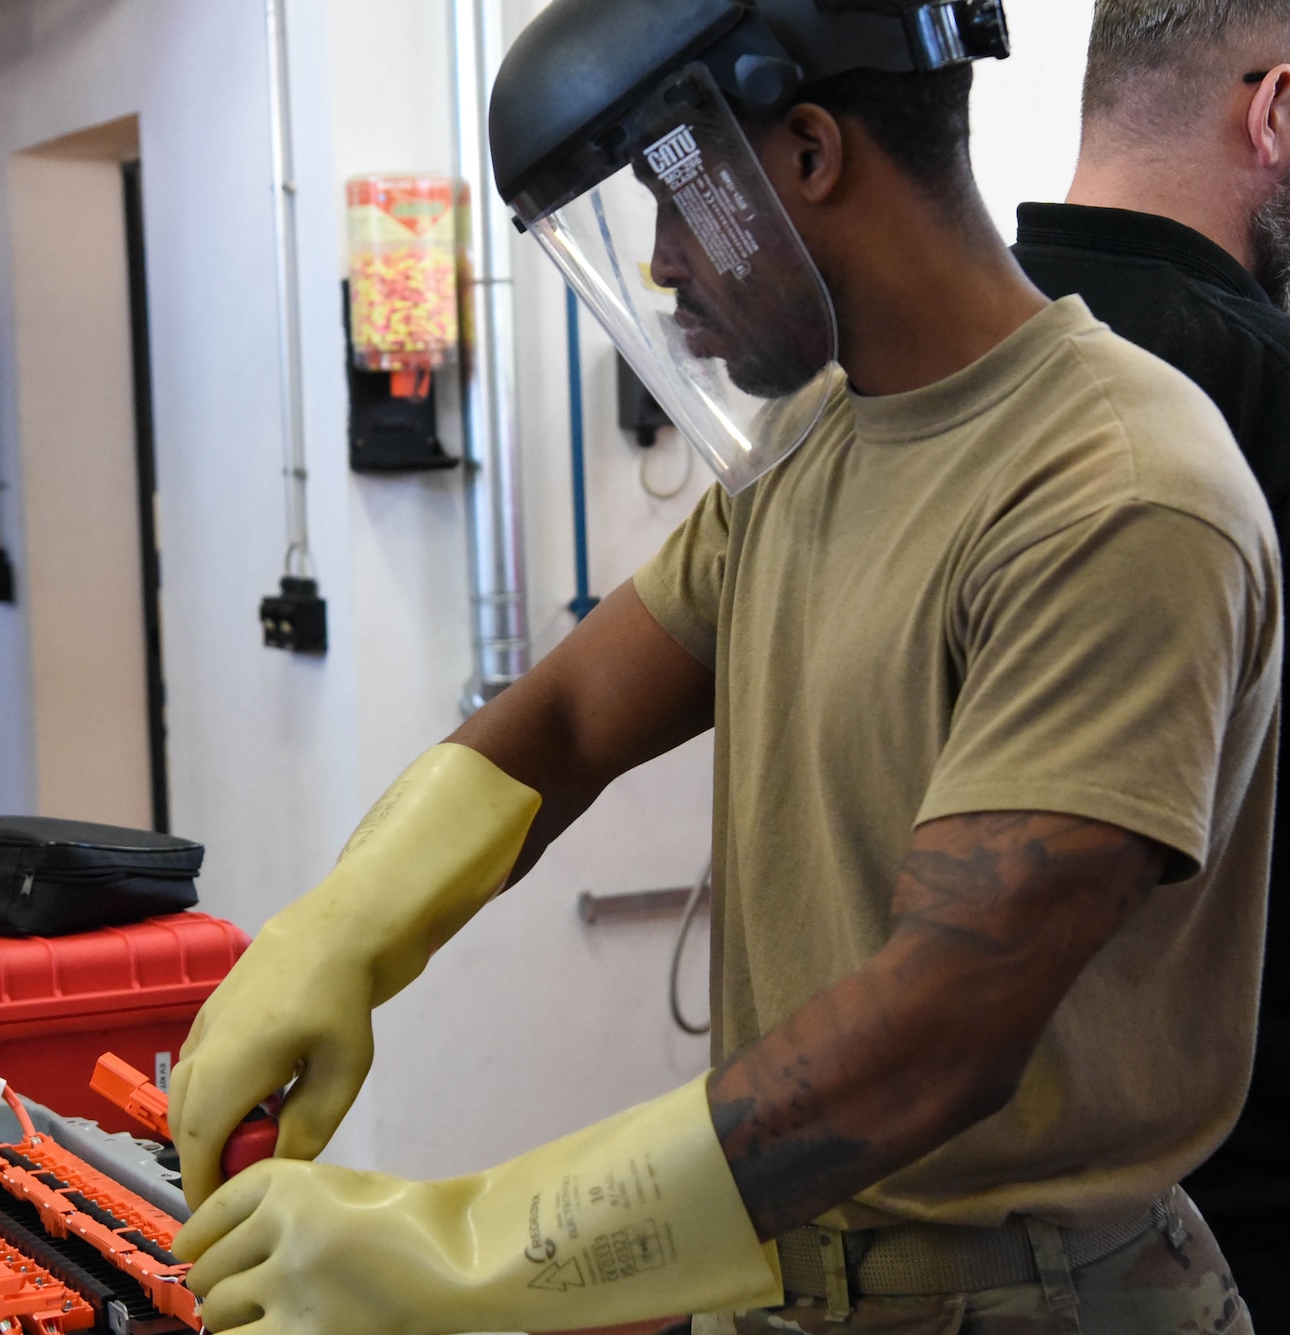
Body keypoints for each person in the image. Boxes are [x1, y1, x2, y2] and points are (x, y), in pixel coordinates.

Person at [167, 2, 1274, 1333]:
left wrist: (464, 1249)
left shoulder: (1116, 485)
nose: (664, 262)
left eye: (674, 193)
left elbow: (944, 1027)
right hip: (788, 1275)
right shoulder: (818, 436)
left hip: (1030, 1299)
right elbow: (575, 712)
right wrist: (341, 932)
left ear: (808, 153)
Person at [1011, 8, 1290, 1322]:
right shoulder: (1261, 396)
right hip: (1224, 1225)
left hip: (935, 1214)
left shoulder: (903, 384)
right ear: (1277, 112)